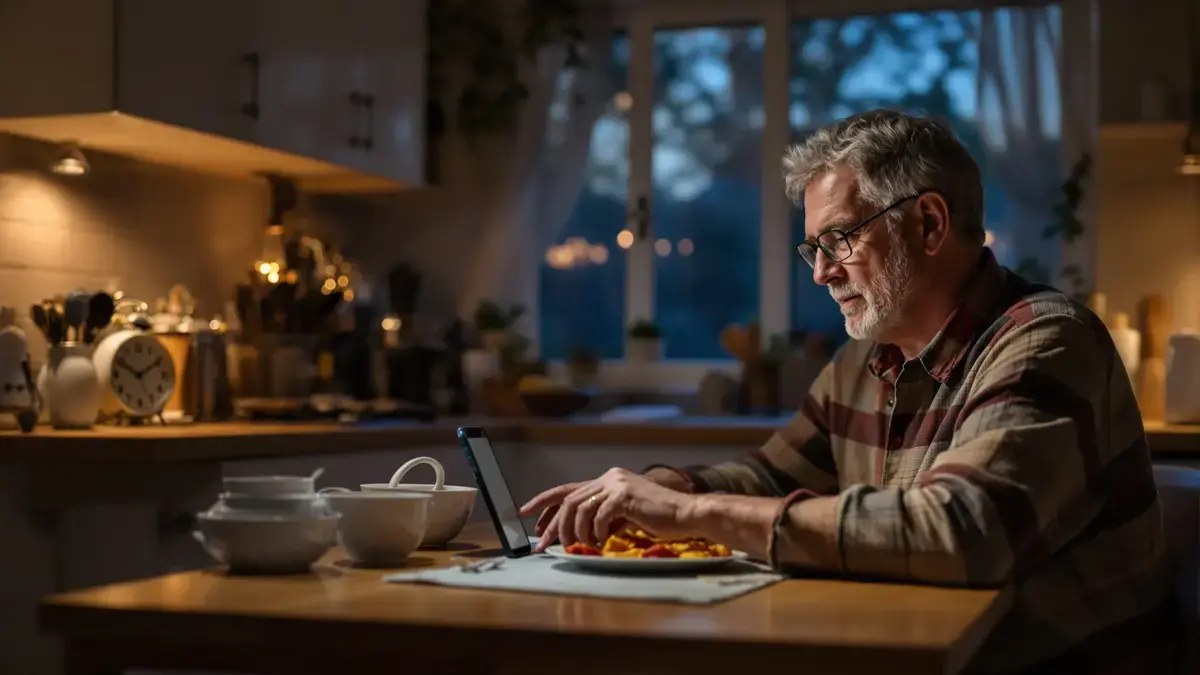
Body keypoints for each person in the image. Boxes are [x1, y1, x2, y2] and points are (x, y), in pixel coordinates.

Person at [521, 110, 1169, 674]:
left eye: (839, 239)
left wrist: (689, 516)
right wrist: (668, 488)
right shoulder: (864, 360)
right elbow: (771, 476)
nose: (824, 272)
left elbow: (966, 532)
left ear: (930, 223)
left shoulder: (1042, 342)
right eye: (814, 248)